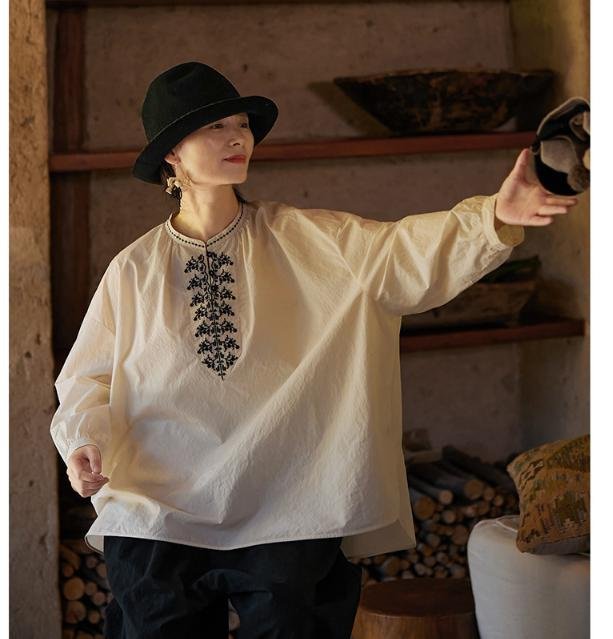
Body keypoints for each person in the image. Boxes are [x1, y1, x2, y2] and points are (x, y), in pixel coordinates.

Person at [49, 61, 580, 639]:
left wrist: (494, 217)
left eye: (242, 124)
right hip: (156, 503)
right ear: (171, 153)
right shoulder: (134, 269)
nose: (237, 137)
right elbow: (88, 377)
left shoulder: (307, 238)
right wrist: (82, 440)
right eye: (215, 127)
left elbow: (399, 253)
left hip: (286, 498)